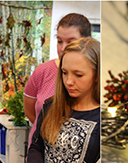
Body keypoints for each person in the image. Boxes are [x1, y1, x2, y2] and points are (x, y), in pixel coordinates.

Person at [24, 37, 100, 163]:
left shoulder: (104, 117)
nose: (68, 81)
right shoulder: (50, 105)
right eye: (64, 73)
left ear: (97, 75)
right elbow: (37, 146)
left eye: (78, 75)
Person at [24, 13, 92, 150]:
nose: (62, 48)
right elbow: (31, 112)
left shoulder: (94, 75)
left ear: (87, 41)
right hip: (39, 155)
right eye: (60, 41)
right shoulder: (42, 71)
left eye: (71, 42)